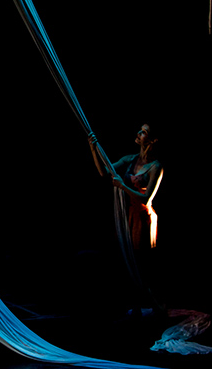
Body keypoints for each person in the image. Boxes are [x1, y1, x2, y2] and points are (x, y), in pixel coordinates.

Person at [89, 124, 166, 317]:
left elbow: (147, 198)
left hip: (142, 217)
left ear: (152, 140)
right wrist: (93, 148)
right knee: (126, 260)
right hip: (127, 215)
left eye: (143, 132)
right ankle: (137, 307)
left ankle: (157, 306)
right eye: (140, 131)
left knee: (141, 263)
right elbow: (104, 172)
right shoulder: (130, 160)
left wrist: (123, 186)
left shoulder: (156, 167)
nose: (138, 134)